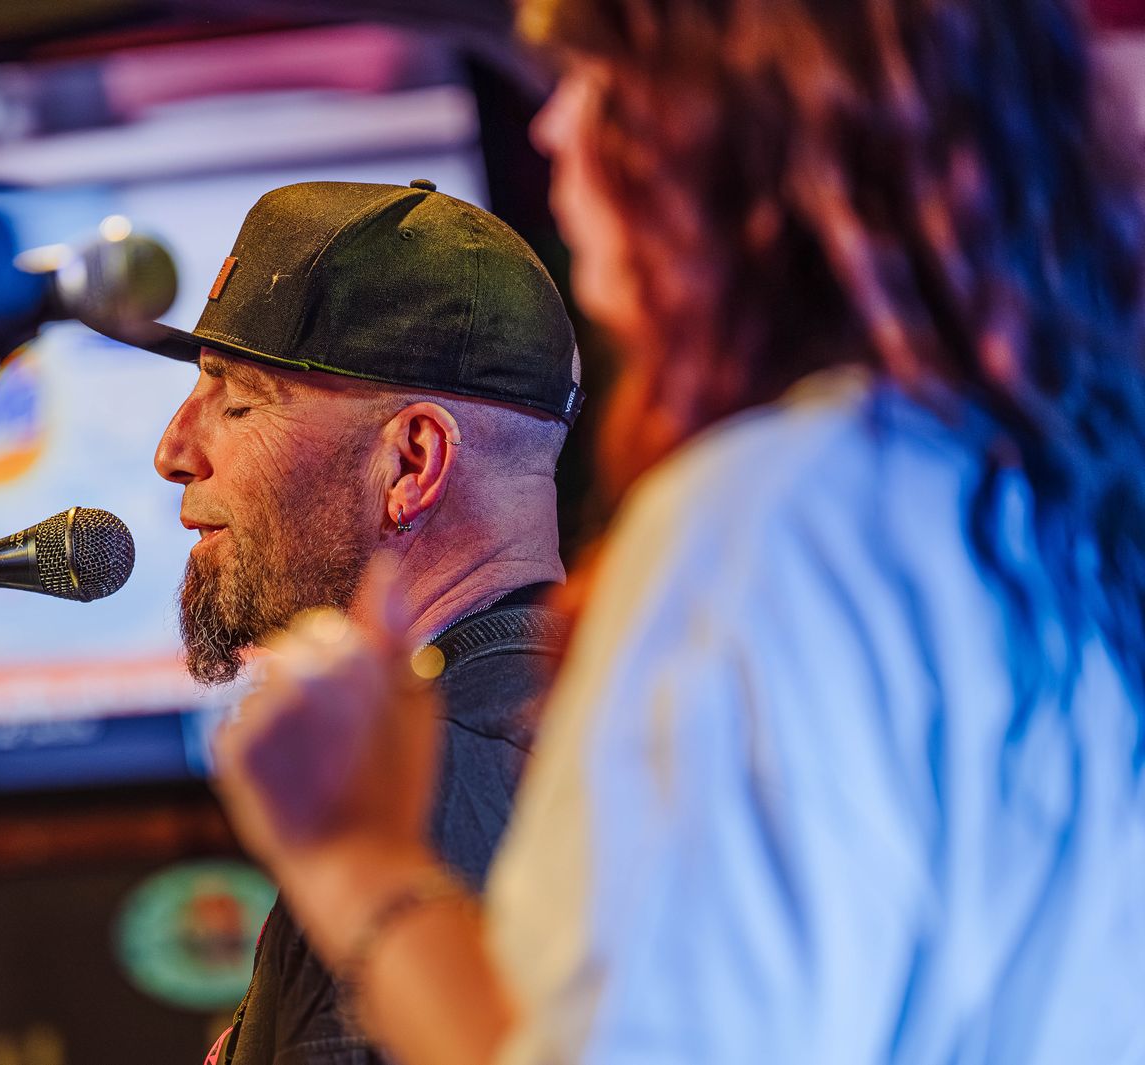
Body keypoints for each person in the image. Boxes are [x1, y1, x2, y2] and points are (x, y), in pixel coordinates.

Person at [210, 2, 1145, 1064]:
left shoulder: (777, 525)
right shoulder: (1044, 505)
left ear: (748, 128)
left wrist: (354, 855)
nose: (551, 124)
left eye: (597, 77)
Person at [134, 179, 585, 1063]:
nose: (174, 450)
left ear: (412, 462)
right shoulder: (574, 728)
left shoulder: (415, 791)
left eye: (239, 400)